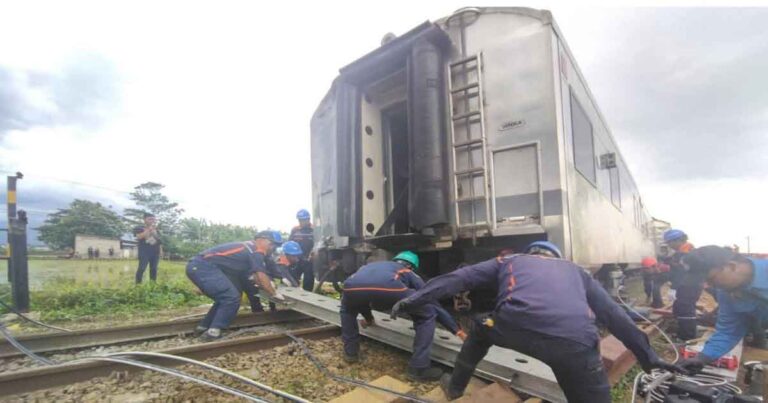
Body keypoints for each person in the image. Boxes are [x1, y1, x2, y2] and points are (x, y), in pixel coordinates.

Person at [391, 248, 681, 402]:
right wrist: (649, 358)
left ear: (532, 252)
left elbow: (459, 279)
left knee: (479, 332)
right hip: (575, 345)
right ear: (554, 255)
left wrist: (414, 299)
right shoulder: (576, 271)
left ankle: (455, 388)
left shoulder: (509, 260)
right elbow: (615, 315)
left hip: (510, 325)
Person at [340, 251, 447, 382]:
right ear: (411, 267)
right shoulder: (407, 271)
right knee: (427, 314)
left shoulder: (369, 267)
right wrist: (455, 328)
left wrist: (368, 318)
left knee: (347, 310)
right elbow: (426, 294)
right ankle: (419, 368)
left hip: (351, 288)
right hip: (390, 289)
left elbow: (365, 291)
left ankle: (350, 353)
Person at [677, 246, 768, 374]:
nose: (706, 286)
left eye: (710, 279)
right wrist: (703, 358)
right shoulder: (727, 293)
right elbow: (729, 331)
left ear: (731, 266)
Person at [186, 230, 285, 341]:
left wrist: (267, 283)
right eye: (272, 244)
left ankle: (203, 327)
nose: (273, 248)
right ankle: (213, 332)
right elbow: (260, 274)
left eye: (275, 246)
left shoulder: (248, 247)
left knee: (226, 298)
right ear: (261, 240)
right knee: (231, 298)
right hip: (203, 266)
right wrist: (274, 293)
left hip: (201, 266)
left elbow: (256, 275)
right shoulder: (255, 250)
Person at [242, 241, 302, 313]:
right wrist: (273, 279)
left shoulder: (276, 255)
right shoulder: (275, 256)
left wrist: (291, 282)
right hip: (250, 272)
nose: (296, 258)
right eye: (293, 256)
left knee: (272, 287)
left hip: (263, 271)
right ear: (286, 254)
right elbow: (268, 270)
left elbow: (278, 271)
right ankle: (258, 310)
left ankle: (271, 309)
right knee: (254, 290)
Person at [664, 229, 701, 340]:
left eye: (670, 242)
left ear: (678, 240)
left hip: (688, 286)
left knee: (685, 309)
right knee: (679, 307)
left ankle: (687, 337)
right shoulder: (687, 250)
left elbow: (681, 273)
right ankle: (681, 331)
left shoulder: (685, 253)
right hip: (689, 285)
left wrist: (674, 288)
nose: (669, 245)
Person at [289, 209, 315, 291]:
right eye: (299, 220)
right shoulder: (295, 230)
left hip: (309, 260)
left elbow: (318, 243)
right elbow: (290, 243)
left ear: (308, 219)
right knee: (293, 280)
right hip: (296, 260)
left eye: (303, 220)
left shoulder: (314, 229)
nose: (301, 222)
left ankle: (307, 297)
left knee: (308, 282)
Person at [134, 213, 162, 283]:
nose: (152, 221)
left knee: (154, 269)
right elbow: (139, 237)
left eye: (153, 219)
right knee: (142, 269)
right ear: (144, 219)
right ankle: (138, 286)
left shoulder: (156, 230)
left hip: (155, 252)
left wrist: (161, 250)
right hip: (144, 252)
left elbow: (158, 241)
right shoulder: (139, 228)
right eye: (150, 219)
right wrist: (149, 230)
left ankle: (153, 285)